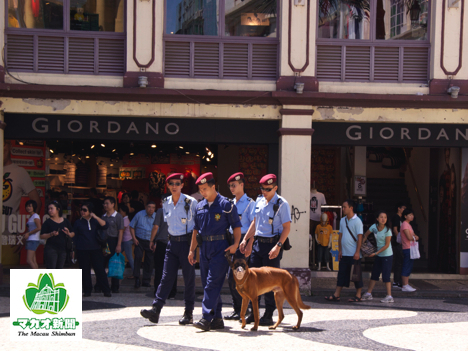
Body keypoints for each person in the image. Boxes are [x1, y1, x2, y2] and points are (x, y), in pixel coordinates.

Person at [140, 173, 198, 325]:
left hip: (186, 243)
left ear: (182, 185)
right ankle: (156, 309)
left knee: (189, 278)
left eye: (177, 183)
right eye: (171, 183)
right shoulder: (165, 202)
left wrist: (194, 248)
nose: (174, 186)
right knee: (166, 277)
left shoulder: (190, 202)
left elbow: (197, 226)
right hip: (171, 243)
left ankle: (189, 312)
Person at [188, 172, 241, 331]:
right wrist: (192, 251)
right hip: (204, 248)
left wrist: (236, 244)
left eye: (205, 189)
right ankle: (217, 318)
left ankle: (205, 317)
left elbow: (237, 226)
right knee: (207, 284)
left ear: (213, 187)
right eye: (200, 189)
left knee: (212, 283)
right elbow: (196, 231)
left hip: (221, 248)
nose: (202, 192)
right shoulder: (199, 206)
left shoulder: (226, 205)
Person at [239, 174, 291, 326]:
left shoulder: (282, 204)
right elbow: (255, 223)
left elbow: (287, 228)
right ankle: (253, 313)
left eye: (268, 189)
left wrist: (278, 246)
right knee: (252, 278)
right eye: (262, 188)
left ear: (275, 188)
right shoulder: (259, 201)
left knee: (269, 282)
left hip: (272, 245)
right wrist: (245, 239)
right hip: (258, 245)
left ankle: (268, 314)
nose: (264, 192)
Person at [224, 172, 255, 321]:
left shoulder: (250, 203)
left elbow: (254, 226)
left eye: (234, 185)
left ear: (242, 185)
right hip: (231, 240)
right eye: (230, 185)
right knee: (231, 278)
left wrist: (249, 244)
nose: (231, 188)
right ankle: (237, 309)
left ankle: (246, 308)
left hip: (243, 241)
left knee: (240, 276)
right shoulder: (230, 203)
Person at [325, 199, 363, 303]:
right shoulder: (342, 220)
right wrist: (339, 250)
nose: (343, 209)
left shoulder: (358, 221)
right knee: (341, 273)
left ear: (351, 208)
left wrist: (357, 252)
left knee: (356, 274)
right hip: (344, 253)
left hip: (354, 253)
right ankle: (337, 294)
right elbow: (340, 235)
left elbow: (360, 237)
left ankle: (358, 295)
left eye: (344, 207)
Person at [73, 202, 112, 297]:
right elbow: (75, 236)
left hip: (96, 248)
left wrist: (95, 217)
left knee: (99, 269)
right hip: (82, 249)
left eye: (85, 210)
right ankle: (87, 290)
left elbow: (105, 225)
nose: (82, 212)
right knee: (84, 270)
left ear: (90, 211)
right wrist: (74, 250)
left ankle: (106, 290)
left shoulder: (95, 221)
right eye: (81, 210)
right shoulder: (78, 222)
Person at [361, 211, 394, 303]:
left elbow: (387, 245)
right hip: (378, 254)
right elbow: (366, 235)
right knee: (374, 274)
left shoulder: (388, 230)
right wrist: (362, 244)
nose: (383, 219)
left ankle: (389, 296)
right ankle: (368, 293)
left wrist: (375, 253)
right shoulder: (374, 227)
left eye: (385, 217)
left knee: (386, 276)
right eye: (381, 217)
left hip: (387, 255)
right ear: (377, 219)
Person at [150, 204, 177, 297]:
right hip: (175, 242)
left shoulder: (161, 211)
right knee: (173, 268)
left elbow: (156, 227)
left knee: (159, 268)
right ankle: (172, 292)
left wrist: (151, 240)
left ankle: (158, 292)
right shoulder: (178, 210)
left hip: (162, 243)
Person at [40, 202, 74, 269]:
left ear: (58, 209)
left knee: (59, 269)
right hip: (51, 248)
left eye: (51, 208)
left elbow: (73, 233)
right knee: (51, 268)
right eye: (48, 209)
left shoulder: (65, 221)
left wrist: (68, 233)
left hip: (63, 249)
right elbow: (42, 236)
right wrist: (51, 234)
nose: (49, 210)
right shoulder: (48, 222)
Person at [131, 201, 157, 288]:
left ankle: (146, 280)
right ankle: (137, 278)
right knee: (138, 257)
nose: (151, 209)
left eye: (153, 207)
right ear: (145, 207)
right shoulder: (139, 214)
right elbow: (131, 226)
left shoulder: (156, 216)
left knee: (149, 261)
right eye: (149, 207)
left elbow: (159, 230)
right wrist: (134, 238)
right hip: (139, 240)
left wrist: (155, 242)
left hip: (151, 240)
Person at [102, 196, 125, 293]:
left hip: (114, 241)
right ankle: (102, 284)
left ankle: (115, 286)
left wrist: (118, 245)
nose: (105, 205)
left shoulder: (118, 216)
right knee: (103, 262)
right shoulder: (103, 216)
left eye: (107, 203)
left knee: (114, 263)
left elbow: (120, 231)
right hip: (104, 242)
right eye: (104, 203)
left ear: (113, 204)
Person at [401, 209, 419, 292]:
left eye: (412, 214)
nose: (412, 216)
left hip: (410, 248)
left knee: (409, 266)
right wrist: (415, 237)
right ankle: (404, 285)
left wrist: (414, 237)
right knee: (406, 266)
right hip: (407, 248)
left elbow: (413, 235)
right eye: (410, 215)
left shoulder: (409, 225)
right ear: (405, 216)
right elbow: (409, 237)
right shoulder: (405, 224)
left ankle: (406, 284)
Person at [391, 202, 406, 289]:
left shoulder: (401, 218)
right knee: (399, 262)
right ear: (399, 208)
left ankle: (398, 281)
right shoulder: (396, 217)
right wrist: (399, 239)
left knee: (399, 262)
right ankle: (397, 281)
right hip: (398, 243)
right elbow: (395, 229)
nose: (404, 210)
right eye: (403, 208)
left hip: (400, 242)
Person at [23, 200, 41, 269]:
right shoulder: (31, 217)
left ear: (34, 207)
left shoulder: (35, 216)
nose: (28, 208)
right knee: (33, 260)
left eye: (30, 206)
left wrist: (29, 233)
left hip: (33, 240)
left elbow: (39, 227)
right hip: (31, 239)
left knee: (29, 260)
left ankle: (38, 277)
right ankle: (38, 277)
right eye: (27, 206)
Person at [119, 204, 135, 278]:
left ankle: (135, 273)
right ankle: (115, 270)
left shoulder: (125, 220)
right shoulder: (125, 219)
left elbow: (122, 231)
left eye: (120, 211)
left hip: (126, 240)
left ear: (124, 212)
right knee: (117, 254)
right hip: (124, 240)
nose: (119, 213)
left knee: (129, 257)